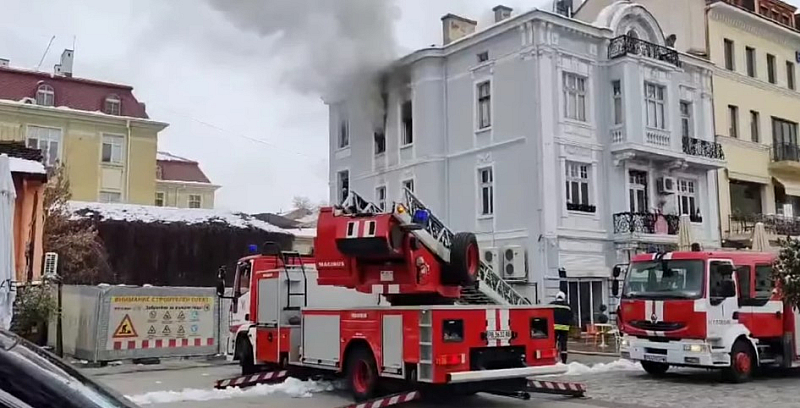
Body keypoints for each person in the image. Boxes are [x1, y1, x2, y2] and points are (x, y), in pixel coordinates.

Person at [550, 291, 573, 364]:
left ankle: (553, 358)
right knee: (563, 344)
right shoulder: (568, 306)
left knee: (553, 343)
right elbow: (571, 316)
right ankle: (564, 360)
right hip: (564, 328)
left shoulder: (551, 305)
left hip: (554, 327)